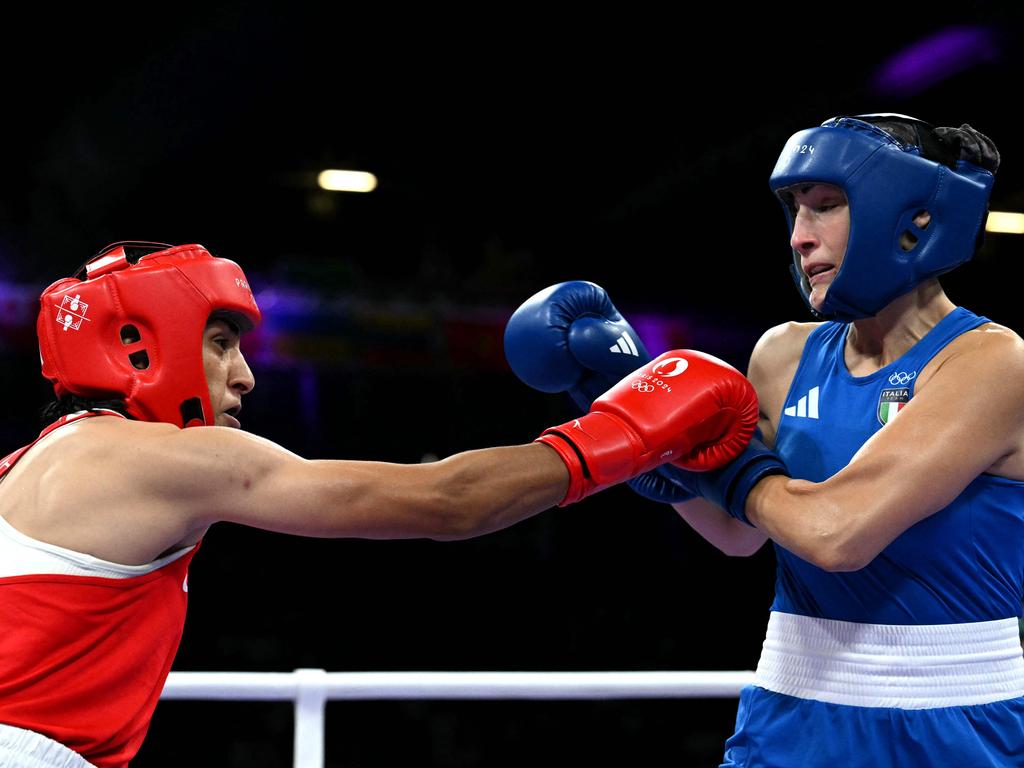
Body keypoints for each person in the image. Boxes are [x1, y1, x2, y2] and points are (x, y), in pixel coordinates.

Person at [0, 240, 757, 768]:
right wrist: (623, 431)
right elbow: (447, 502)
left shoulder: (22, 465)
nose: (245, 378)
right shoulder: (170, 460)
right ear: (139, 344)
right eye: (222, 341)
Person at [505, 114, 1024, 767]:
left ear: (912, 217)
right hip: (788, 715)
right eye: (795, 211)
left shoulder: (991, 362)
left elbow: (837, 534)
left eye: (829, 207)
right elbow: (738, 532)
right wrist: (653, 446)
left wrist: (721, 457)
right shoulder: (783, 353)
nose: (801, 238)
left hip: (950, 726)